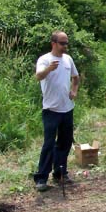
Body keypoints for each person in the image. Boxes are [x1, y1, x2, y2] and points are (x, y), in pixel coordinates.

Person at [33, 31, 80, 191]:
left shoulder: (68, 59)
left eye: (66, 43)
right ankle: (41, 178)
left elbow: (76, 77)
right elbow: (38, 76)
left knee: (65, 143)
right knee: (49, 144)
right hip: (51, 109)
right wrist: (48, 69)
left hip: (67, 108)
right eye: (62, 43)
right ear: (53, 43)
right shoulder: (45, 60)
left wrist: (74, 91)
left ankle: (60, 173)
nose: (65, 46)